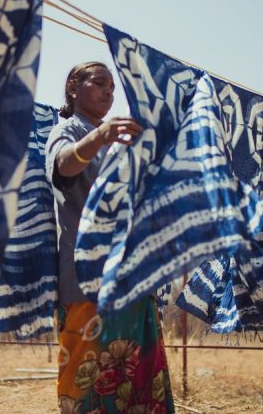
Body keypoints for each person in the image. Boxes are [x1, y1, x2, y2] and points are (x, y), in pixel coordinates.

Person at [46, 61, 175, 413]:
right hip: (88, 287)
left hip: (132, 282)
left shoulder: (119, 146)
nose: (109, 91)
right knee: (87, 393)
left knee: (141, 391)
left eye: (112, 87)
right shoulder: (68, 132)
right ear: (73, 86)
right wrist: (100, 136)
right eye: (100, 82)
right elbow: (64, 165)